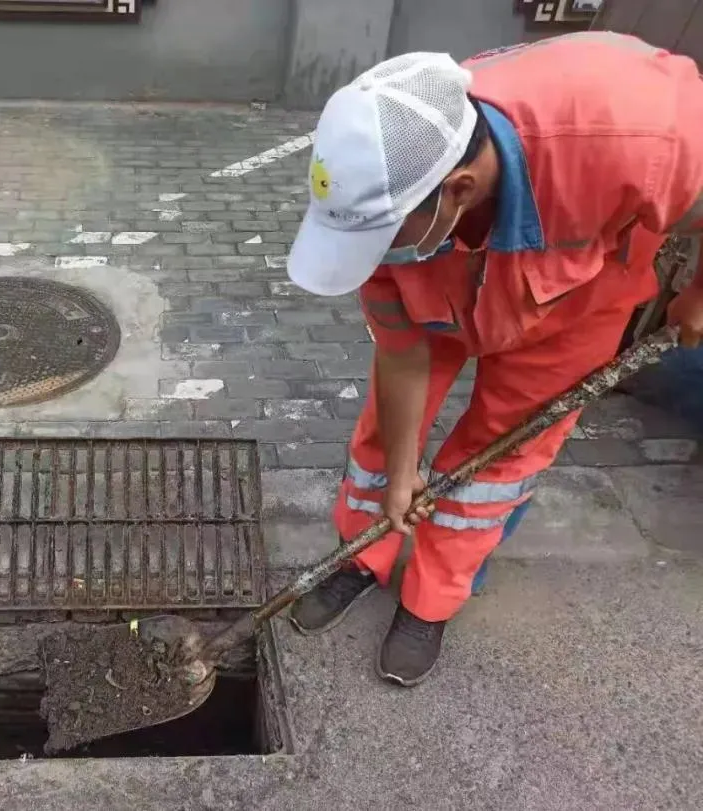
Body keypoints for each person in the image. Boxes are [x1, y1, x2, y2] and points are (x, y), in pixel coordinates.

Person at [285, 32, 703, 687]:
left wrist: (699, 294)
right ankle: (361, 554)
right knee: (385, 433)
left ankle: (430, 600)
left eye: (382, 239)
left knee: (496, 462)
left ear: (459, 189)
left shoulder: (640, 134)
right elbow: (402, 358)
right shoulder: (387, 215)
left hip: (577, 297)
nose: (370, 256)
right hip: (442, 288)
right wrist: (401, 475)